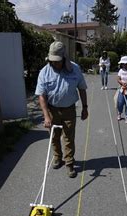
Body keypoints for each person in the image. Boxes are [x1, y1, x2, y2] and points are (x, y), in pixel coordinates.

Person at [35, 41, 89, 178]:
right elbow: (41, 96)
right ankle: (57, 157)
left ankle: (69, 162)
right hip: (52, 109)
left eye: (57, 61)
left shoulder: (75, 69)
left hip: (69, 109)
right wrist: (46, 116)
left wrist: (85, 108)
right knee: (54, 136)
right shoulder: (44, 72)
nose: (55, 63)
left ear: (64, 57)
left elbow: (82, 89)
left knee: (69, 137)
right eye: (52, 61)